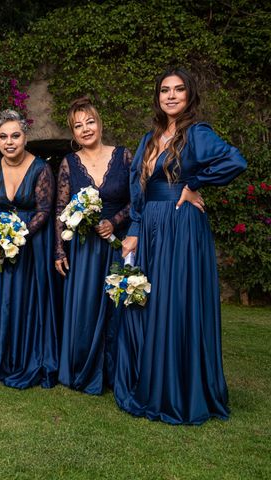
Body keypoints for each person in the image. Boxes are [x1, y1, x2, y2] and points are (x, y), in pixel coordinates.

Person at [115, 68, 247, 424]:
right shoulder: (149, 138)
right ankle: (153, 380)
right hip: (153, 227)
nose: (171, 96)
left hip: (182, 226)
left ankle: (181, 389)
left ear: (189, 95)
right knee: (150, 302)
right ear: (157, 97)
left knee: (177, 300)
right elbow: (137, 188)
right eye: (164, 90)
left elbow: (236, 161)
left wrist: (194, 183)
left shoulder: (197, 133)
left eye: (179, 90)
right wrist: (136, 228)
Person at [0, 109, 60, 389]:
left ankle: (25, 359)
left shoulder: (41, 168)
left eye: (15, 136)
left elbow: (44, 210)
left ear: (25, 137)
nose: (10, 142)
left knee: (25, 299)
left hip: (31, 245)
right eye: (3, 137)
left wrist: (17, 238)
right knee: (0, 299)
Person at [54, 98, 132, 394]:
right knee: (84, 309)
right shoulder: (69, 163)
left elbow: (137, 200)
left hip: (117, 245)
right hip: (84, 250)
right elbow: (60, 208)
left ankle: (115, 373)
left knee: (118, 308)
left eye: (89, 122)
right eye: (78, 125)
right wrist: (59, 250)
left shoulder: (124, 156)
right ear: (73, 134)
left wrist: (115, 221)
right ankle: (82, 368)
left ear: (100, 123)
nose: (85, 129)